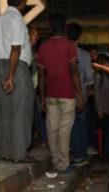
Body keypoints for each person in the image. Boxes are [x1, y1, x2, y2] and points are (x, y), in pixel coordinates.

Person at [38, 14, 84, 173]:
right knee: (65, 129)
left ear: (49, 28)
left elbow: (41, 76)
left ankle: (55, 160)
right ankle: (63, 163)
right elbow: (75, 72)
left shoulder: (43, 47)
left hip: (51, 94)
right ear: (65, 28)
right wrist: (80, 95)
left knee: (52, 128)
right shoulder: (69, 45)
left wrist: (43, 99)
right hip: (68, 94)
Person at [0, 0, 35, 162]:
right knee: (21, 109)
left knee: (5, 110)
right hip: (15, 66)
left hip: (1, 65)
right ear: (22, 3)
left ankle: (7, 151)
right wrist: (11, 75)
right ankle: (19, 153)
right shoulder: (16, 19)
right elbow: (15, 48)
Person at [67, 23, 94, 165]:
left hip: (64, 93)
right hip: (80, 94)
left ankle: (71, 153)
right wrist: (86, 94)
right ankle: (80, 155)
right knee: (80, 126)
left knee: (67, 126)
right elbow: (89, 78)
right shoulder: (84, 55)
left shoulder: (62, 52)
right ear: (79, 36)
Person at [94, 54, 109, 159]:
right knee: (101, 132)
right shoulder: (99, 76)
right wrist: (99, 109)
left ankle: (105, 151)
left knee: (106, 132)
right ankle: (100, 153)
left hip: (108, 109)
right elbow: (96, 93)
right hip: (102, 108)